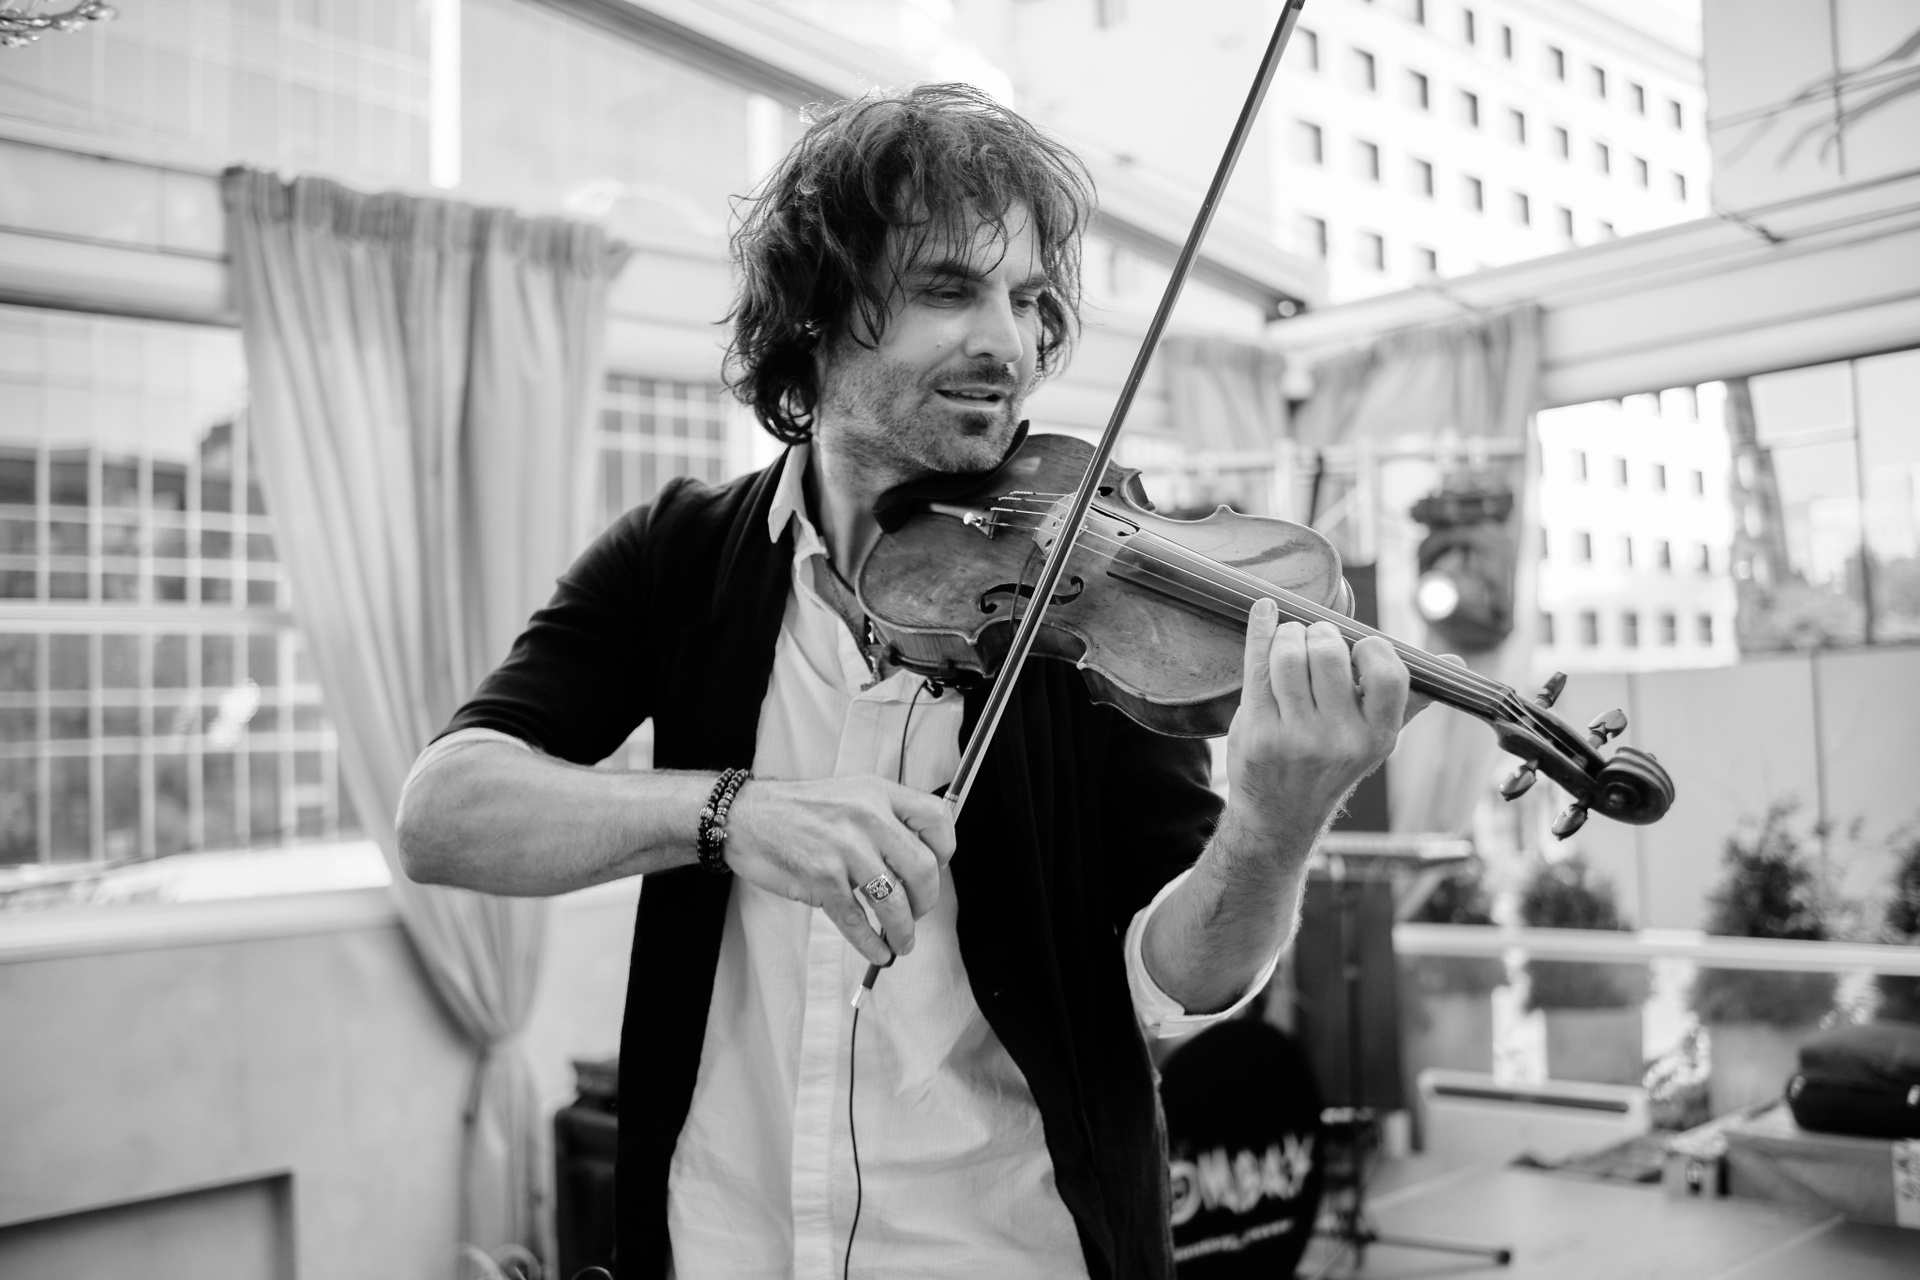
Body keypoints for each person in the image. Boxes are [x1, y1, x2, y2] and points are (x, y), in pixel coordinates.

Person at [396, 84, 1413, 1280]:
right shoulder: (678, 557)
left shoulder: (1083, 594)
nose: (1009, 345)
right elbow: (444, 813)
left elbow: (1173, 981)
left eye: (1027, 300)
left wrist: (1275, 824)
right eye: (947, 289)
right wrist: (734, 813)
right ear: (816, 312)